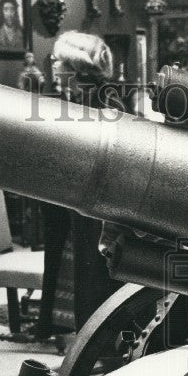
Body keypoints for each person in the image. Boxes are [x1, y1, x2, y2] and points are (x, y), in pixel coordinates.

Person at [39, 32, 122, 335]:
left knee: (93, 284)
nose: (53, 67)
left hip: (97, 211)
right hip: (76, 202)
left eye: (57, 61)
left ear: (75, 66)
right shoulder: (78, 98)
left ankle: (98, 344)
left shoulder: (103, 99)